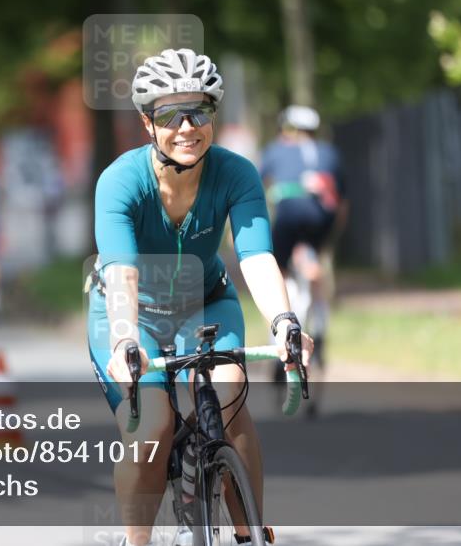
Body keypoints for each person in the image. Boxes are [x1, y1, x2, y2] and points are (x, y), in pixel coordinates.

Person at [87, 48, 314, 546]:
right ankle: (137, 542)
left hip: (206, 303)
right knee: (154, 427)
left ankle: (248, 532)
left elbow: (256, 257)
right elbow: (122, 274)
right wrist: (127, 339)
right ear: (148, 123)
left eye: (200, 111)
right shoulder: (120, 183)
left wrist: (283, 321)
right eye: (171, 114)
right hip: (129, 314)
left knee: (230, 396)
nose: (187, 127)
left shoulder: (237, 174)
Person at [258, 105, 348, 405]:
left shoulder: (276, 150)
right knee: (313, 267)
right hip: (321, 218)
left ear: (287, 129)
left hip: (288, 216)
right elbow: (342, 206)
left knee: (278, 275)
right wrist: (325, 244)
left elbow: (257, 189)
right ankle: (319, 324)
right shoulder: (330, 153)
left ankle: (281, 336)